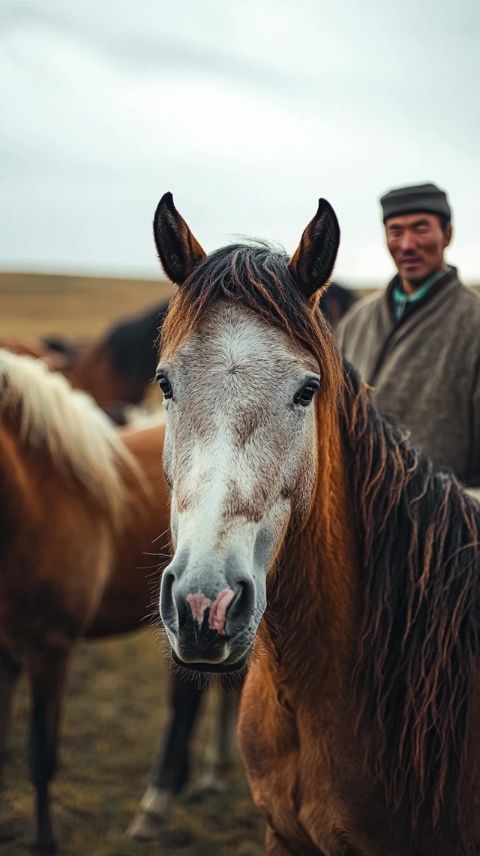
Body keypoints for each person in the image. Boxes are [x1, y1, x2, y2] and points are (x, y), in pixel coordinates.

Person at [336, 182, 480, 487]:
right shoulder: (357, 320)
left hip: (442, 524)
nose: (408, 244)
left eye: (421, 229)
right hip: (356, 517)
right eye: (396, 231)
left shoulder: (474, 321)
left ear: (448, 235)